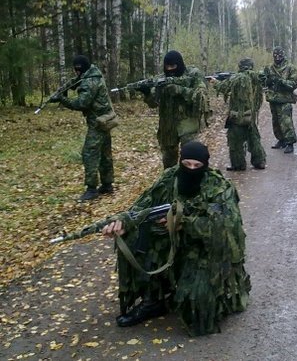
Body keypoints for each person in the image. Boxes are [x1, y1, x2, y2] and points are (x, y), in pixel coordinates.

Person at [101, 141, 251, 336]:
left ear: (205, 166)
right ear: (180, 161)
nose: (191, 169)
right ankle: (152, 299)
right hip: (173, 244)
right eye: (187, 164)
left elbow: (226, 229)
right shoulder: (170, 178)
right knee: (134, 236)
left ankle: (206, 294)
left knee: (199, 321)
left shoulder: (220, 187)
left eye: (197, 166)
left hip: (204, 250)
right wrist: (120, 221)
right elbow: (142, 206)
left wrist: (185, 223)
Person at [50, 55, 115, 201]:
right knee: (105, 153)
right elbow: (77, 81)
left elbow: (81, 103)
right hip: (105, 119)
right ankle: (107, 184)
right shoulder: (93, 73)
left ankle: (92, 189)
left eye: (77, 69)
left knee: (89, 153)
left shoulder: (90, 81)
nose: (76, 72)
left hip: (98, 123)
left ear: (82, 68)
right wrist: (65, 88)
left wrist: (62, 99)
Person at [141, 50, 211, 169]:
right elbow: (153, 103)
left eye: (173, 66)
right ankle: (171, 185)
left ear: (179, 64)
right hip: (168, 127)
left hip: (188, 124)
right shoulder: (161, 79)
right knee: (168, 163)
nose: (170, 69)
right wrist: (147, 93)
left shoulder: (193, 74)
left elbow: (201, 97)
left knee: (190, 160)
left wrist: (180, 90)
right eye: (167, 66)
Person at [214, 58, 266, 171]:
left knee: (235, 139)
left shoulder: (238, 77)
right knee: (253, 137)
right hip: (251, 113)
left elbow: (224, 88)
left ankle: (238, 164)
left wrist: (215, 82)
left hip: (238, 114)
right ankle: (259, 161)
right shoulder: (255, 77)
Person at [262, 46, 297, 154]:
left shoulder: (290, 67)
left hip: (285, 99)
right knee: (276, 122)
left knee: (286, 122)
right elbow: (263, 80)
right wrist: (267, 81)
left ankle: (290, 143)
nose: (277, 57)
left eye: (279, 55)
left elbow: (294, 83)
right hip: (273, 99)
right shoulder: (269, 68)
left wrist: (281, 81)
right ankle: (281, 140)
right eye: (275, 55)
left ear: (283, 55)